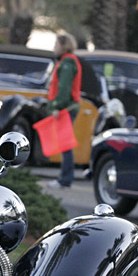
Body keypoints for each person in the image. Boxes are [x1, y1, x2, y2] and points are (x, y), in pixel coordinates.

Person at [46, 32, 82, 189]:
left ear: (63, 45)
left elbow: (64, 88)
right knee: (65, 144)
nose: (54, 48)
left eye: (56, 45)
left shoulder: (67, 63)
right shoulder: (68, 62)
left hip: (66, 108)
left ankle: (65, 179)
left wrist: (57, 106)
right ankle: (65, 178)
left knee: (65, 144)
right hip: (69, 107)